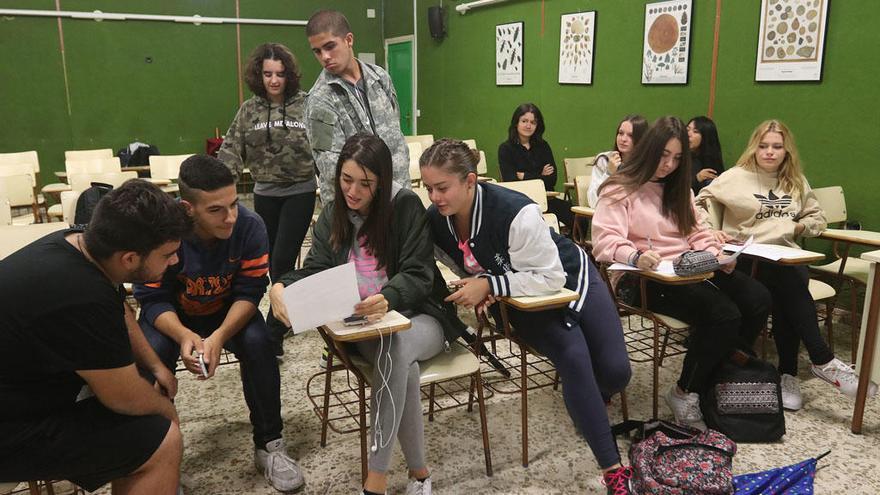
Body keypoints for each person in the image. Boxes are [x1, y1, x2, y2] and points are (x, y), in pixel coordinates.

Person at [419, 138, 635, 495]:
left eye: (442, 188)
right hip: (521, 299)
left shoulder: (514, 211)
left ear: (471, 181)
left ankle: (590, 397)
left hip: (569, 276)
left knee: (616, 372)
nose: (435, 197)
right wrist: (484, 287)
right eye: (428, 188)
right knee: (574, 355)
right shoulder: (436, 219)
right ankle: (613, 468)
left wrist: (489, 284)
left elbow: (550, 277)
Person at [270, 134, 464, 495]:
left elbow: (420, 274)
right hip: (364, 330)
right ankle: (420, 473)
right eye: (346, 180)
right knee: (398, 359)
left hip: (421, 318)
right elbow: (316, 270)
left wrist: (388, 297)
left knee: (398, 346)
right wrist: (281, 285)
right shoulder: (333, 214)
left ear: (382, 183)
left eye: (365, 183)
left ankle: (376, 480)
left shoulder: (404, 206)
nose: (353, 191)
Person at [0, 180, 190, 494]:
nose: (174, 262)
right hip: (11, 429)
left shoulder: (78, 243)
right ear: (130, 259)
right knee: (161, 438)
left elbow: (118, 307)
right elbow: (123, 397)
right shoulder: (82, 295)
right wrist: (168, 414)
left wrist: (155, 365)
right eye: (167, 254)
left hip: (22, 389)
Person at [133, 155, 304, 493]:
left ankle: (270, 444)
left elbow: (251, 291)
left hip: (227, 311)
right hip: (173, 316)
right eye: (216, 210)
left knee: (259, 343)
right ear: (187, 208)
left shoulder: (250, 226)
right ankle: (154, 459)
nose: (230, 217)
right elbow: (152, 298)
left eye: (234, 204)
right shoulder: (159, 232)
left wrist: (218, 337)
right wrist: (184, 336)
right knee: (149, 354)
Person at [591, 116, 771, 430]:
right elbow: (604, 242)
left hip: (687, 268)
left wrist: (718, 255)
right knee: (723, 314)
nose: (669, 165)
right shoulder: (619, 188)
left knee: (757, 298)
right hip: (641, 276)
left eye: (677, 158)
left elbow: (697, 232)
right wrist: (636, 255)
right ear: (649, 150)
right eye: (664, 156)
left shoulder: (678, 189)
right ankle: (686, 392)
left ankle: (716, 374)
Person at [695, 119, 878, 410]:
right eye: (763, 146)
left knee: (786, 281)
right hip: (745, 259)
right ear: (754, 148)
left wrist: (797, 229)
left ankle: (791, 373)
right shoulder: (735, 177)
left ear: (786, 150)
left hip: (784, 257)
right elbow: (698, 203)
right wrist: (710, 230)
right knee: (789, 281)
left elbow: (815, 218)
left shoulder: (795, 180)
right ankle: (814, 361)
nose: (769, 152)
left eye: (777, 147)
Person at [218, 43, 316, 284]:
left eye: (280, 74)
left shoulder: (307, 104)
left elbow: (324, 146)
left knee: (283, 259)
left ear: (289, 75)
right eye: (268, 74)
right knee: (271, 260)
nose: (274, 80)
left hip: (299, 192)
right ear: (258, 75)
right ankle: (284, 310)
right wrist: (220, 190)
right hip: (264, 193)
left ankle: (278, 319)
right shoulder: (249, 110)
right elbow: (230, 149)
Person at [305, 9, 411, 205]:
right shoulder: (320, 99)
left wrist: (399, 191)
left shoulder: (380, 78)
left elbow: (396, 136)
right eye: (317, 51)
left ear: (349, 40)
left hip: (397, 195)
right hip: (356, 206)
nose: (325, 56)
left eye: (330, 46)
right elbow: (330, 166)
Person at [497, 102, 574, 228]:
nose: (528, 125)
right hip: (520, 203)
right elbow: (511, 181)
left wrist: (524, 176)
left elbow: (552, 180)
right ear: (516, 123)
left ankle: (567, 246)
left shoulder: (543, 146)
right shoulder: (506, 149)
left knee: (577, 217)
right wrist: (540, 176)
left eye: (533, 122)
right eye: (524, 121)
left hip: (546, 199)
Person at [587, 114, 648, 208]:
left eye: (630, 135)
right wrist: (609, 173)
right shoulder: (604, 160)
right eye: (620, 133)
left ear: (641, 139)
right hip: (610, 215)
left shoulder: (647, 165)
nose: (623, 139)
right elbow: (593, 202)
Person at [687, 116, 725, 194]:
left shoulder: (711, 161)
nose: (688, 134)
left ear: (705, 137)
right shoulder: (679, 157)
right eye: (687, 129)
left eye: (695, 131)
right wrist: (697, 178)